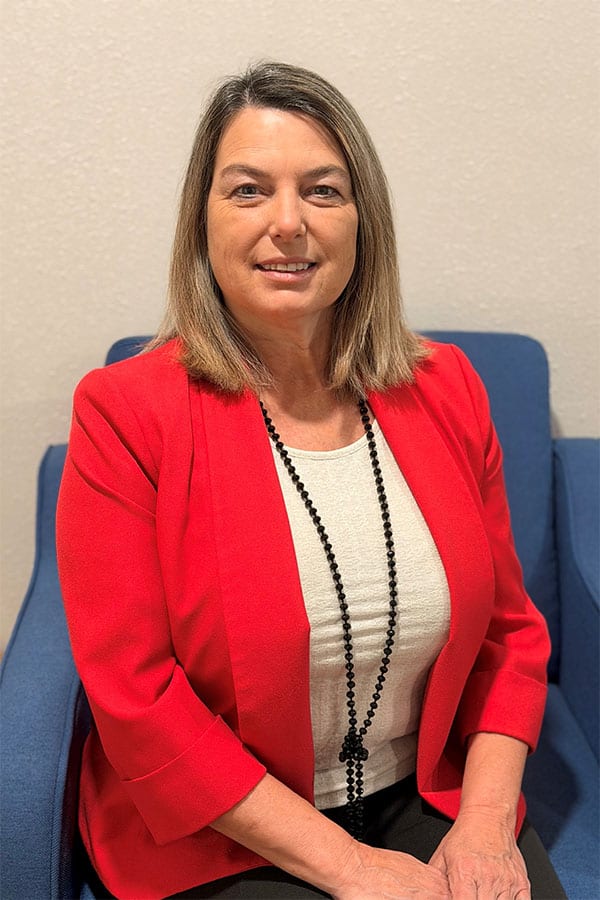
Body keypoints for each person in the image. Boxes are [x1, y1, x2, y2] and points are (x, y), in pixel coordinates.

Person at [56, 61, 566, 900]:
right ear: (202, 221)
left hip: (425, 793)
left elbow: (509, 638)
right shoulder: (125, 411)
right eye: (249, 190)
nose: (287, 223)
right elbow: (137, 698)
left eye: (322, 191)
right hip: (225, 827)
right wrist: (352, 868)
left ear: (363, 222)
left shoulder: (448, 387)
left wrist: (481, 828)